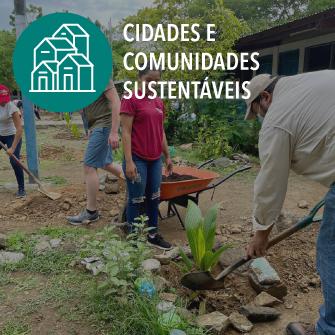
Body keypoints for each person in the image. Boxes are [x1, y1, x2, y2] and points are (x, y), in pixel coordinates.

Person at [244, 71, 335, 335]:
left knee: (331, 250)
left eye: (258, 112)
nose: (261, 119)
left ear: (265, 97)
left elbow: (270, 183)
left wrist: (260, 235)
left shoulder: (278, 118)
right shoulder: (311, 81)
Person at [120, 65, 173, 250]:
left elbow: (161, 131)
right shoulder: (130, 99)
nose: (153, 85)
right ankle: (133, 237)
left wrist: (167, 156)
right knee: (136, 198)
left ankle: (152, 235)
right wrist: (129, 161)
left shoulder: (159, 102)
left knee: (154, 197)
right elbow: (125, 132)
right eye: (149, 80)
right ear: (140, 78)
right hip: (137, 158)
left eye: (156, 82)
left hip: (155, 159)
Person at [67, 80, 123, 225]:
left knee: (89, 165)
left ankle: (91, 212)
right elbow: (84, 108)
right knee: (106, 163)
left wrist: (114, 132)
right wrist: (88, 127)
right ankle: (138, 181)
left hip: (104, 126)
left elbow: (116, 102)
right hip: (97, 126)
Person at [0, 85, 25, 198]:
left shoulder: (12, 108)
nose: (3, 103)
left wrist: (13, 148)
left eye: (5, 100)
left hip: (13, 135)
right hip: (0, 135)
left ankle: (21, 189)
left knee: (14, 161)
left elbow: (19, 129)